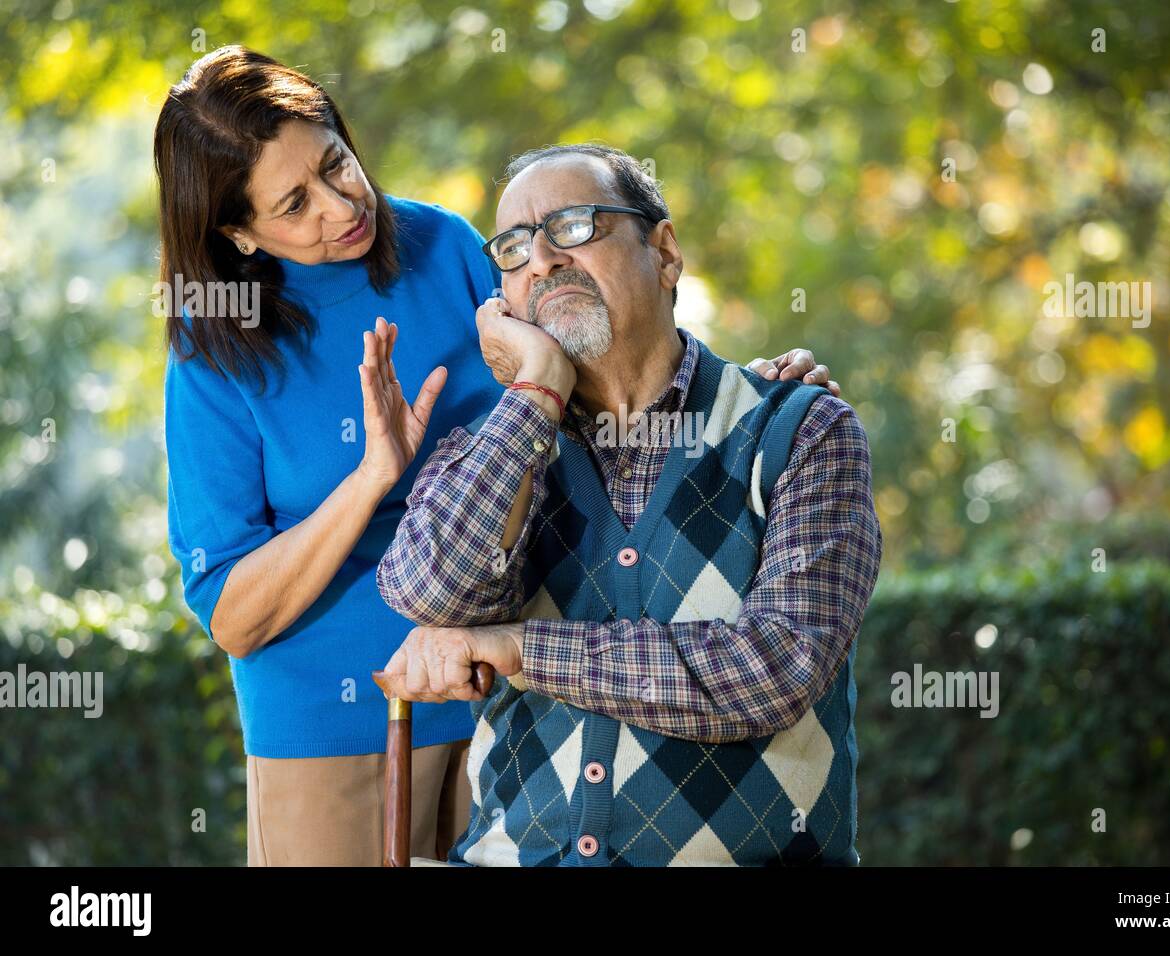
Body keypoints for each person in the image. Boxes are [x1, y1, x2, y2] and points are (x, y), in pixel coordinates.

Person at [159, 46, 841, 865]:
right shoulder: (216, 348)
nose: (343, 205)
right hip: (335, 721)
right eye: (296, 204)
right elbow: (233, 615)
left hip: (515, 686)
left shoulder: (441, 244)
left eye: (337, 164)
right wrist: (375, 472)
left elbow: (583, 335)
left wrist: (738, 393)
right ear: (238, 233)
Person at [377, 144, 883, 866]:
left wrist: (521, 650)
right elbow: (432, 592)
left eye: (574, 225)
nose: (543, 259)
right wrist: (537, 388)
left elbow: (774, 668)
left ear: (665, 252)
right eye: (514, 249)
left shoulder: (800, 430)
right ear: (503, 303)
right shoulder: (491, 455)